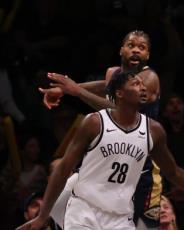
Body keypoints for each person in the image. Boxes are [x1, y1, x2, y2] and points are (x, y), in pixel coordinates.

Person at [17, 70, 184, 230]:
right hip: (85, 208)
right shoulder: (95, 122)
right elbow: (62, 170)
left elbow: (175, 174)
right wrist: (43, 215)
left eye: (143, 84)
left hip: (120, 217)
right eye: (135, 83)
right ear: (120, 94)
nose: (142, 87)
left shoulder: (154, 131)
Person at [40, 30, 163, 229]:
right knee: (56, 204)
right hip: (107, 157)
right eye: (131, 45)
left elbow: (122, 112)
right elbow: (106, 86)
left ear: (148, 55)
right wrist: (65, 89)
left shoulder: (148, 79)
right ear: (121, 50)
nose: (135, 50)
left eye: (142, 47)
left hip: (140, 166)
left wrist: (76, 91)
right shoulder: (114, 74)